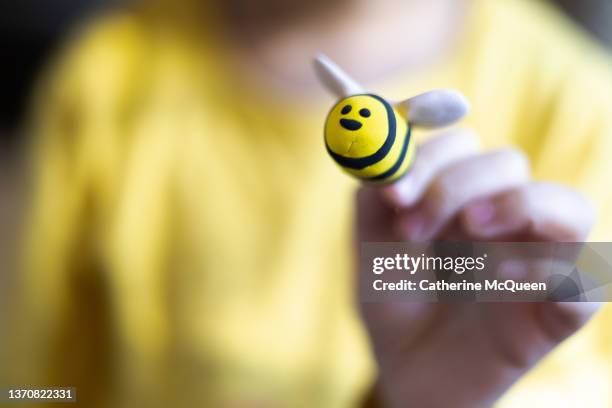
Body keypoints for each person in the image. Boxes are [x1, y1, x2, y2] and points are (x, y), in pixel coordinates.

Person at [9, 0, 612, 406]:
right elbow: (36, 390)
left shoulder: (583, 107)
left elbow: (588, 324)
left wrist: (435, 395)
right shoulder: (103, 86)